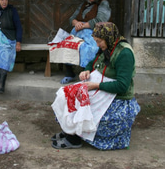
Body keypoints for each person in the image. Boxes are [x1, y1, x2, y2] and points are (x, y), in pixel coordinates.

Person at [51, 22, 141, 150]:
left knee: (83, 104)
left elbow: (122, 86)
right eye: (96, 41)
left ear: (108, 37)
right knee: (65, 94)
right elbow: (92, 62)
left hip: (117, 96)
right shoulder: (106, 47)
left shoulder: (124, 53)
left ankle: (74, 138)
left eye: (99, 41)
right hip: (100, 87)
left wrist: (96, 85)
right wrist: (87, 70)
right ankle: (69, 130)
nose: (97, 45)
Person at [59, 0, 111, 84]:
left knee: (88, 48)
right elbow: (71, 19)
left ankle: (87, 73)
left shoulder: (103, 3)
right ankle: (70, 73)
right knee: (67, 44)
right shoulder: (83, 5)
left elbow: (100, 20)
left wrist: (82, 25)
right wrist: (76, 23)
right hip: (78, 32)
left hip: (95, 33)